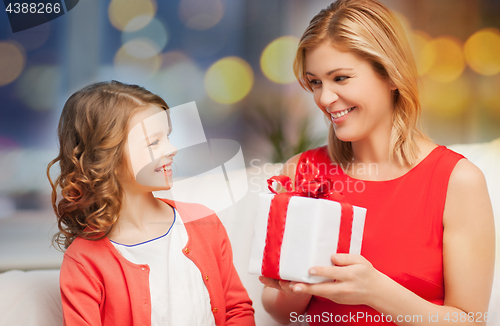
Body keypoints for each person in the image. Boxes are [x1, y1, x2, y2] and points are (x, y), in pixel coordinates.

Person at [259, 0, 495, 325]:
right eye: (315, 82)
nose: (324, 99)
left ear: (392, 76)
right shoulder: (301, 170)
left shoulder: (457, 180)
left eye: (340, 78)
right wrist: (300, 282)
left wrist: (375, 291)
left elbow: (471, 320)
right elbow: (278, 310)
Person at [47, 80, 255, 326]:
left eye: (167, 136)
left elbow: (236, 310)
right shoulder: (83, 260)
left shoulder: (202, 221)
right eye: (153, 142)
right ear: (105, 157)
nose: (172, 148)